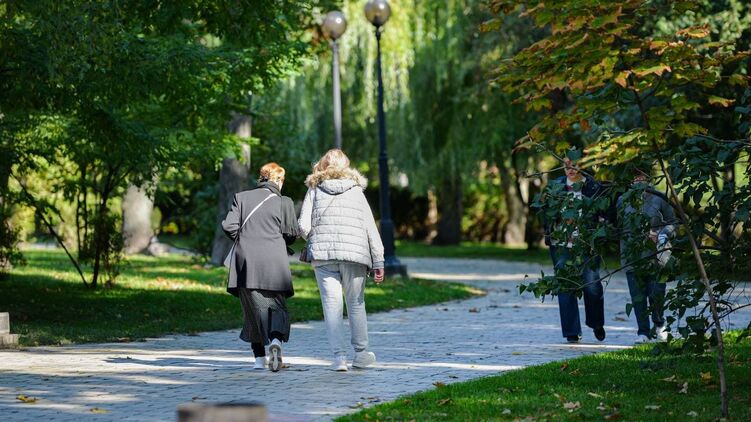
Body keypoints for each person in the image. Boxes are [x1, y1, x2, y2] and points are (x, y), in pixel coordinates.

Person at [298, 149, 385, 371]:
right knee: (356, 304)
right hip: (355, 256)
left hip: (324, 257)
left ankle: (339, 358)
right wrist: (378, 260)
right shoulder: (356, 191)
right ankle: (361, 354)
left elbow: (303, 226)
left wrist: (316, 238)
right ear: (345, 166)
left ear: (323, 165)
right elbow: (370, 227)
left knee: (331, 306)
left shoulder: (315, 189)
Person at [222, 163, 298, 372]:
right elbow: (291, 234)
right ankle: (276, 340)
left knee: (252, 310)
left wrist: (246, 239)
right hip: (274, 260)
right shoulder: (284, 202)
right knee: (277, 306)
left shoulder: (241, 197)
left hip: (246, 261)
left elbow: (229, 226)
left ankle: (258, 359)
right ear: (279, 180)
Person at [543, 156, 607, 343]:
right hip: (561, 245)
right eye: (567, 166)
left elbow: (604, 211)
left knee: (592, 286)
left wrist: (601, 226)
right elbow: (545, 212)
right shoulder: (555, 186)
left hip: (587, 244)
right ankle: (571, 331)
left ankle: (596, 323)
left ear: (583, 165)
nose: (570, 169)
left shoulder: (593, 186)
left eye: (575, 165)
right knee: (565, 286)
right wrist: (550, 229)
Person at [617, 163, 676, 344]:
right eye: (636, 177)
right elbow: (618, 227)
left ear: (649, 178)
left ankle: (659, 325)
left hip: (657, 255)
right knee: (638, 297)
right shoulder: (622, 200)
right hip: (632, 256)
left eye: (642, 176)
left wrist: (661, 234)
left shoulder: (660, 198)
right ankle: (642, 332)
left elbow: (673, 223)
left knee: (657, 294)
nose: (639, 180)